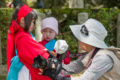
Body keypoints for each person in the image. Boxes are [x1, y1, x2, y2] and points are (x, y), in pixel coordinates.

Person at [6, 4, 54, 80]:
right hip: (24, 70)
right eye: (31, 21)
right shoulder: (22, 36)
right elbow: (32, 52)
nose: (33, 24)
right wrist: (48, 57)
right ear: (22, 20)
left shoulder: (21, 33)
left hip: (23, 67)